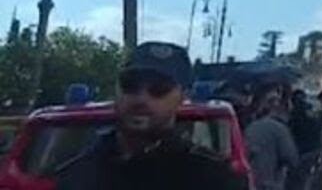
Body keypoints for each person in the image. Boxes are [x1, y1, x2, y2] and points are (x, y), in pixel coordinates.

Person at [55, 41, 240, 190]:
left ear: (182, 97)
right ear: (117, 89)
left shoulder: (212, 178)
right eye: (130, 85)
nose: (141, 99)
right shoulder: (77, 175)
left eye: (158, 90)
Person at [244, 89, 300, 190]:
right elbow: (291, 158)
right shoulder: (280, 129)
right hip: (271, 184)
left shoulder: (250, 127)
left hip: (251, 182)